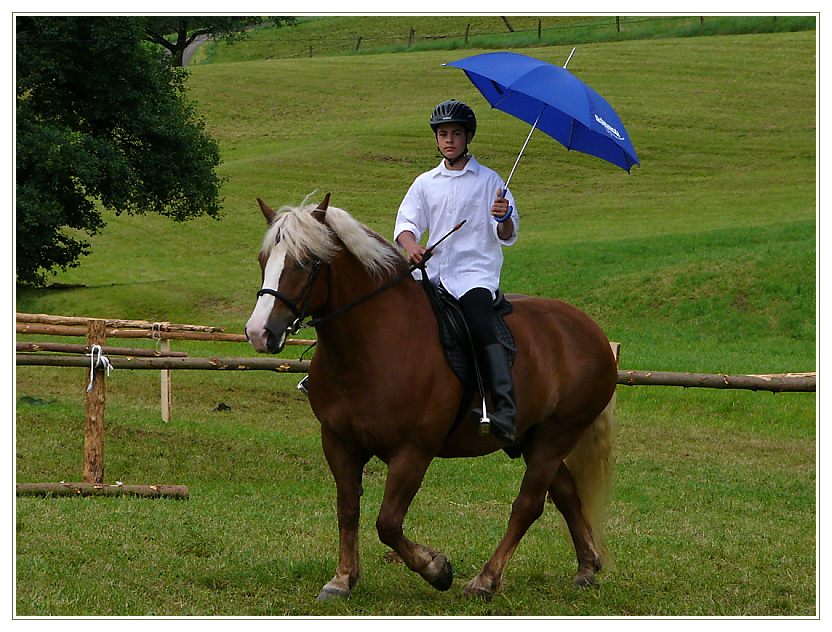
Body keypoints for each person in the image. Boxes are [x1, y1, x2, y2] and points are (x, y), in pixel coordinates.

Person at [394, 99, 520, 443]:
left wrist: (503, 216)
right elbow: (406, 224)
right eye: (443, 134)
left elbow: (506, 235)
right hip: (430, 274)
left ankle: (505, 408)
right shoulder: (425, 182)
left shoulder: (490, 181)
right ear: (436, 139)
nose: (449, 140)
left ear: (468, 138)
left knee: (479, 323)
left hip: (473, 275)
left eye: (456, 134)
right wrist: (411, 246)